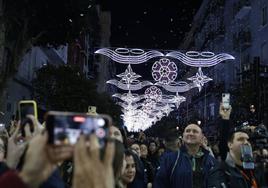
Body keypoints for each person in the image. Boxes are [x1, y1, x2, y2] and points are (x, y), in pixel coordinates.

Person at [154, 122, 226, 188]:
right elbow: (160, 183)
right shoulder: (169, 159)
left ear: (202, 138)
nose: (191, 133)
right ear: (183, 136)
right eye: (187, 131)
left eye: (195, 131)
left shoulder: (211, 162)